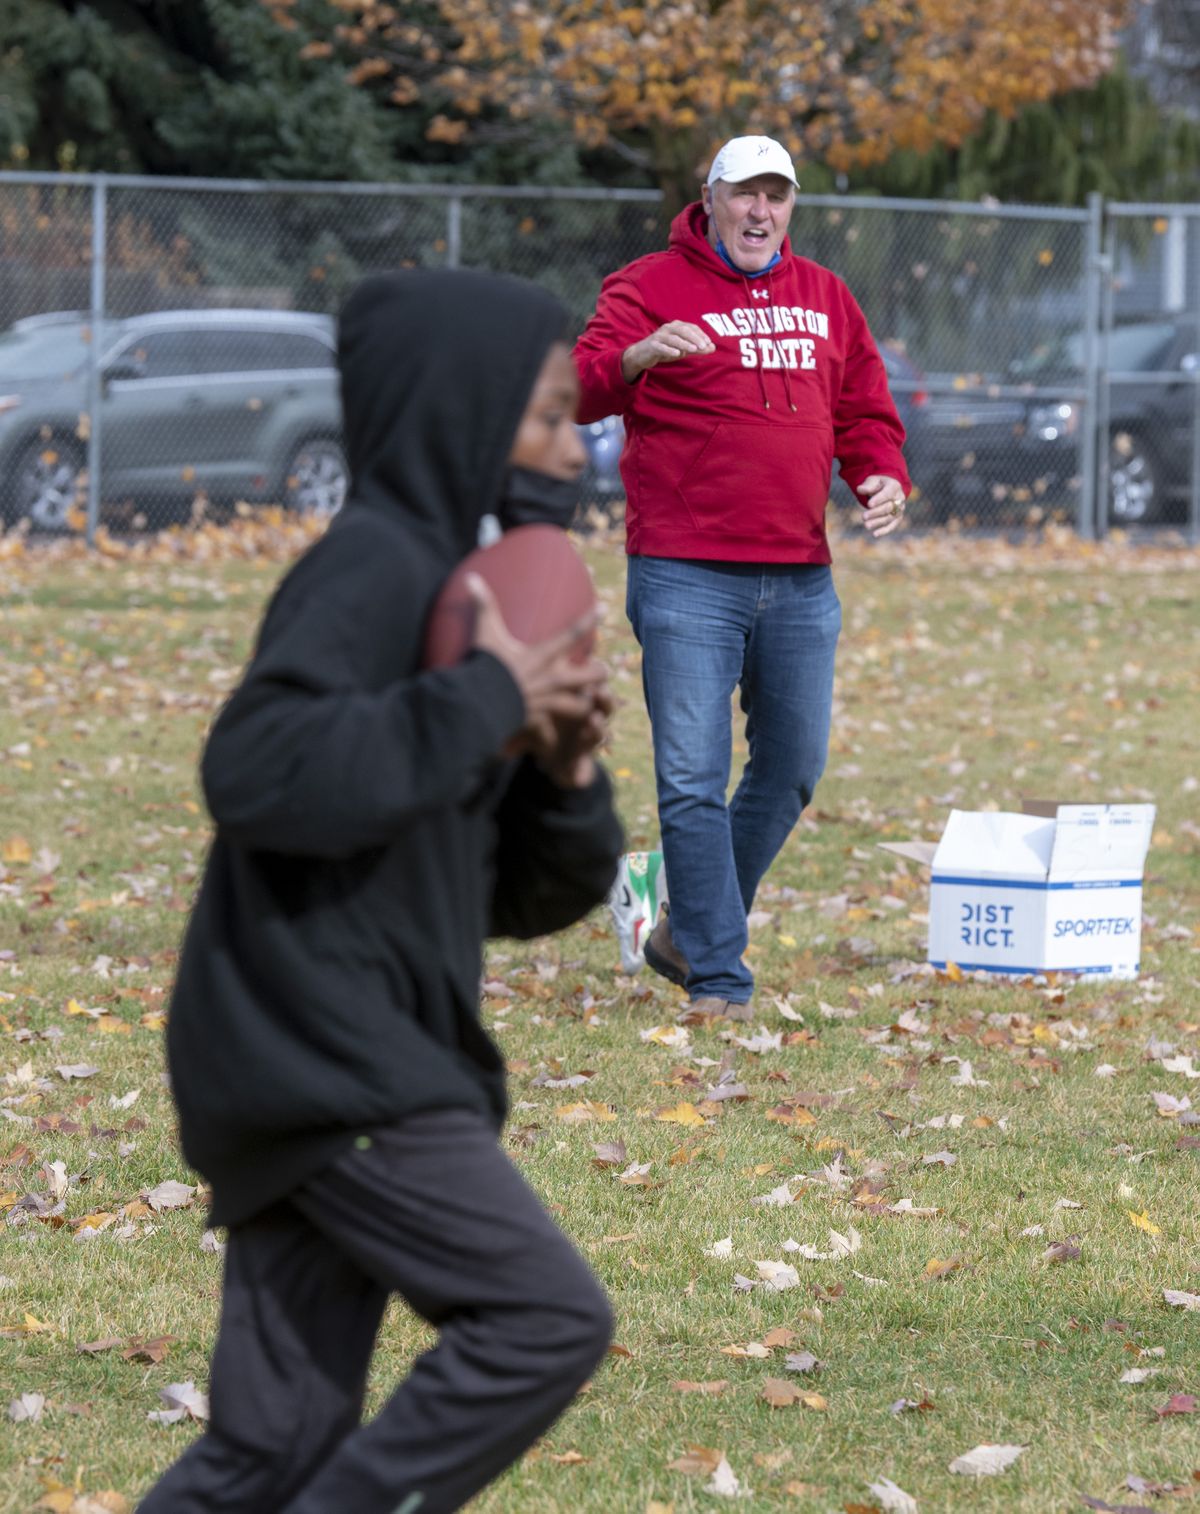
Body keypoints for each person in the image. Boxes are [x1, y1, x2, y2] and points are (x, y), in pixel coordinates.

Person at [138, 269, 623, 1514]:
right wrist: (483, 702)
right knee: (542, 1316)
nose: (577, 449)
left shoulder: (463, 600)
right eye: (553, 417)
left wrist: (563, 774)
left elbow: (508, 895)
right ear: (464, 415)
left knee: (270, 1447)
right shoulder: (370, 569)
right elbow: (253, 772)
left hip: (330, 1051)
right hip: (324, 1049)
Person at [575, 134, 910, 1020]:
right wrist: (637, 357)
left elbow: (865, 410)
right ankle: (719, 978)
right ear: (710, 197)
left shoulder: (826, 297)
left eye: (778, 196)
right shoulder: (647, 286)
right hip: (687, 572)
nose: (762, 212)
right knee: (690, 775)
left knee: (794, 765)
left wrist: (880, 474)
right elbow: (575, 388)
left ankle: (685, 927)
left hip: (800, 574)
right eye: (745, 194)